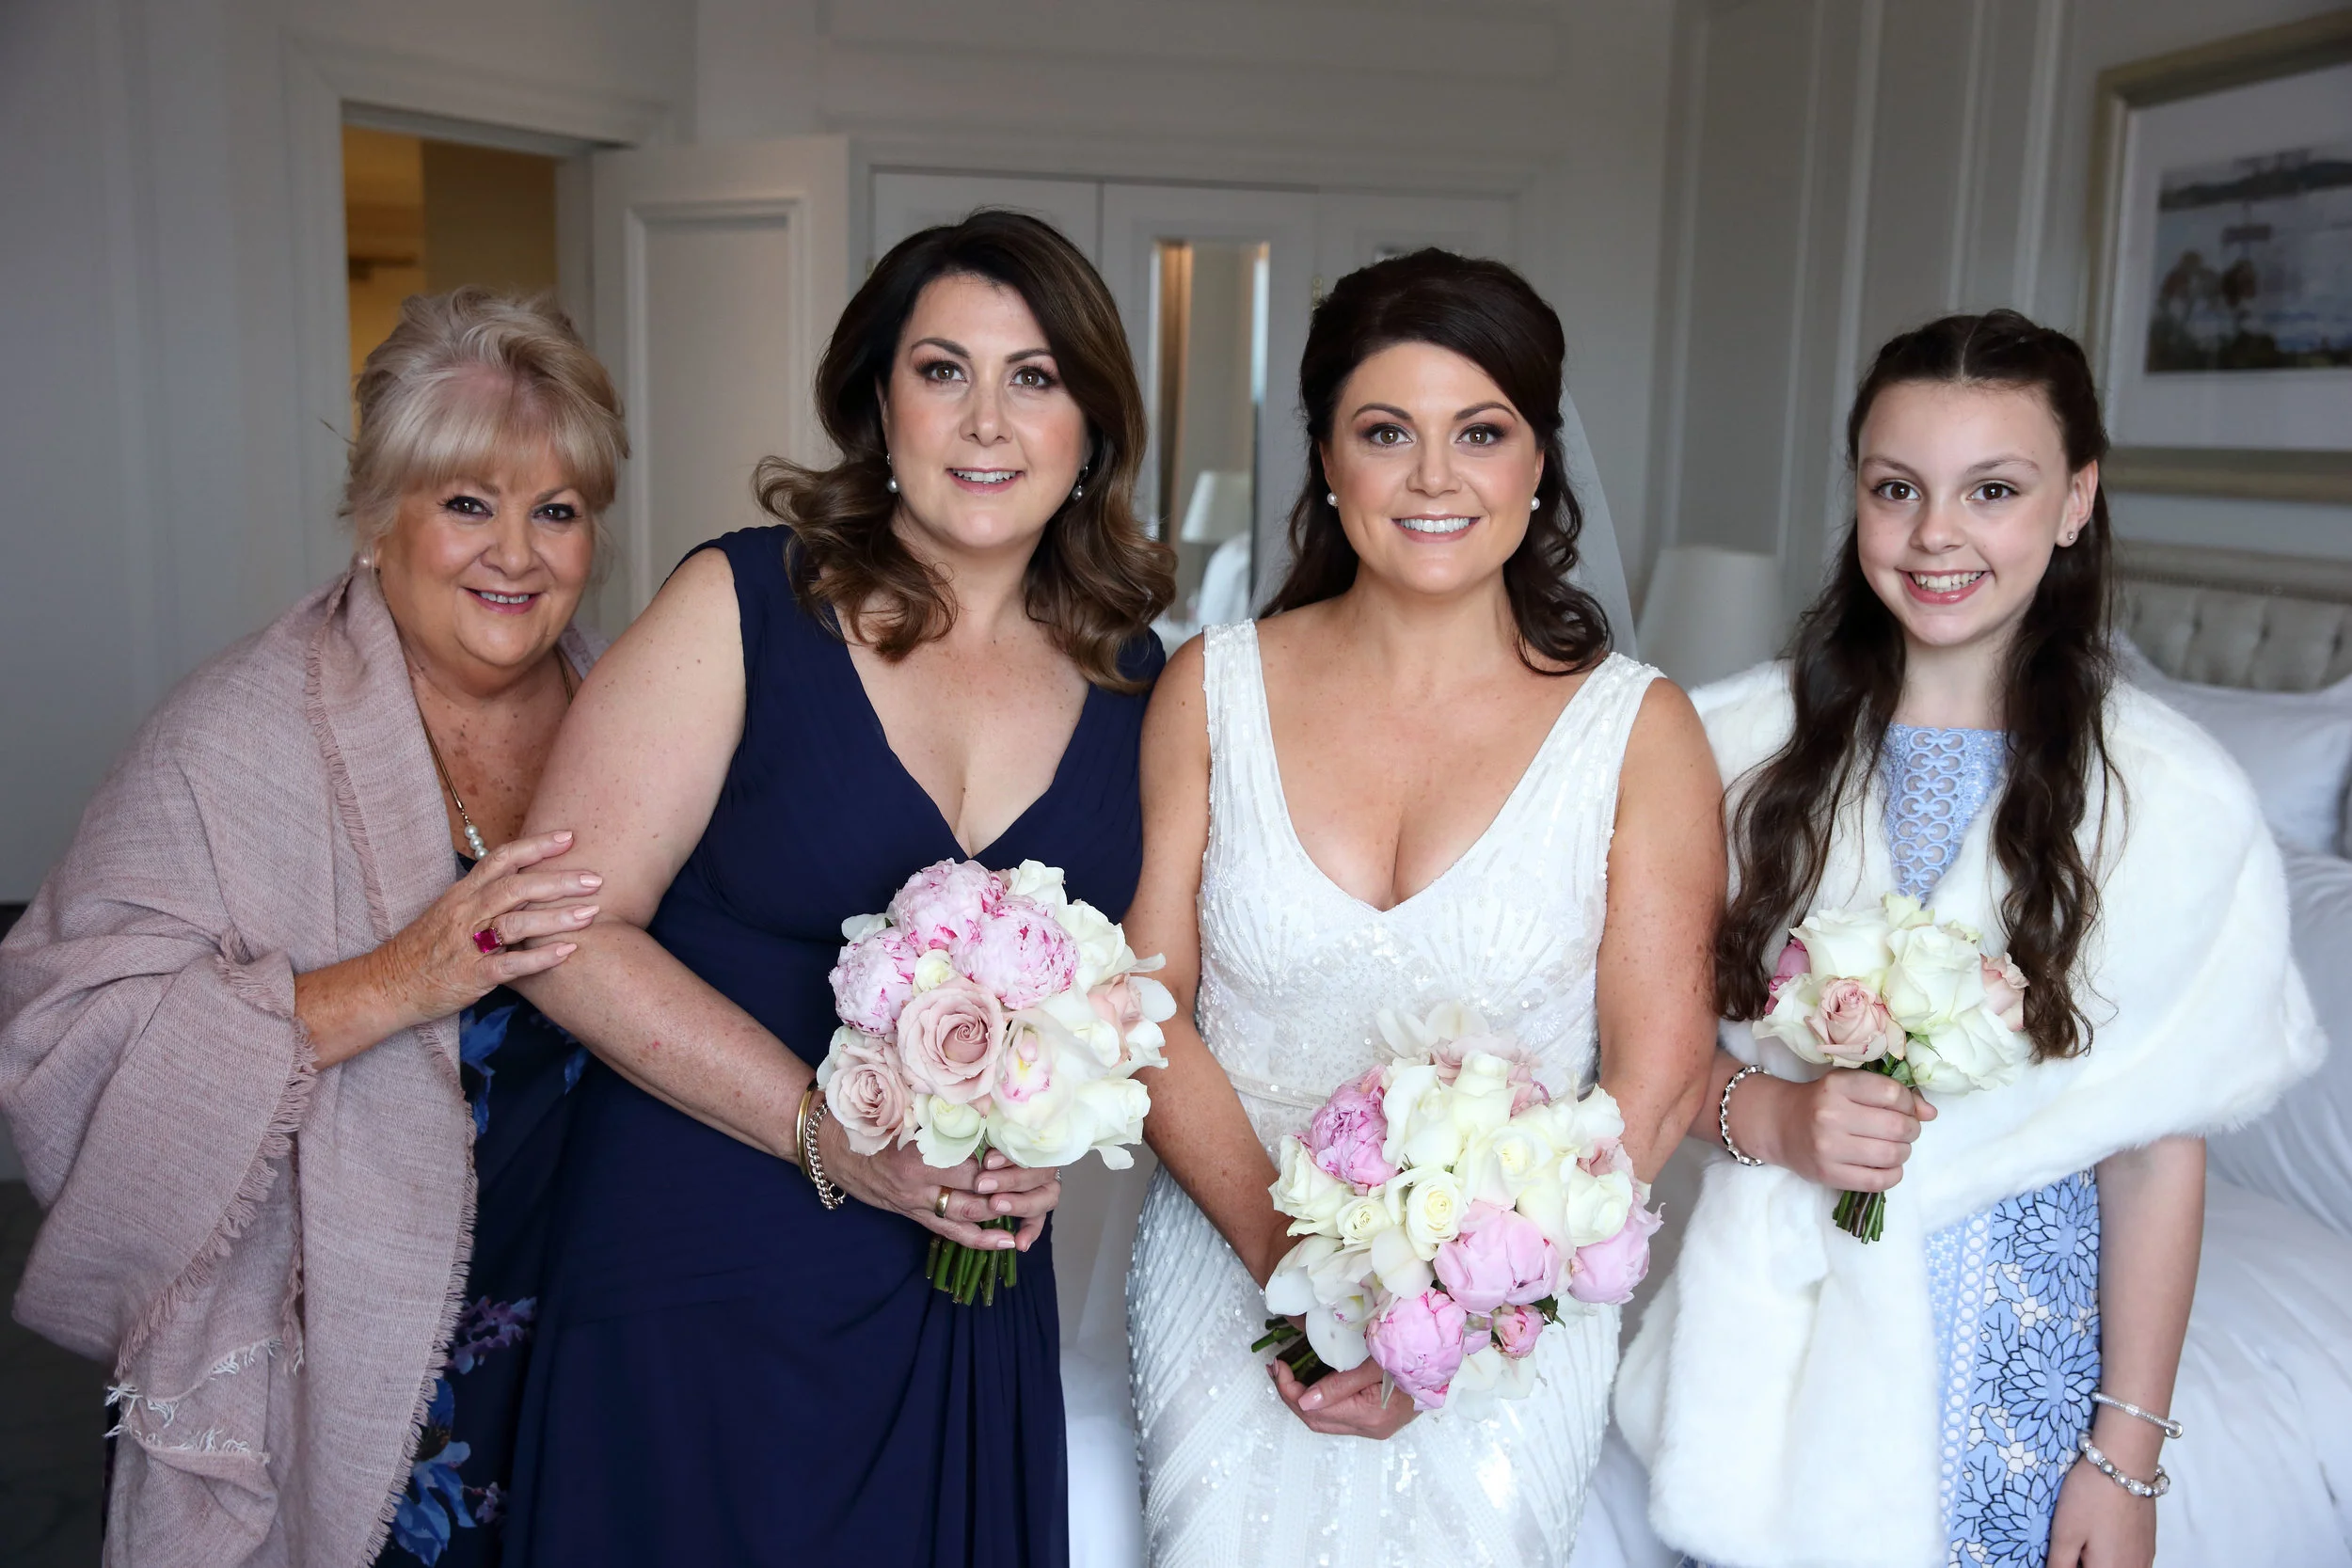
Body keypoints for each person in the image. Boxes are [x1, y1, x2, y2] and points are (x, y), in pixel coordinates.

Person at [496, 210, 1174, 1566]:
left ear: (1090, 425)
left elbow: (1145, 994)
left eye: (1033, 377)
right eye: (943, 370)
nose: (986, 421)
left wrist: (1054, 1120)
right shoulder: (744, 601)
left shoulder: (1137, 675)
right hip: (702, 1268)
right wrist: (825, 1128)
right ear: (880, 401)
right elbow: (550, 933)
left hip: (959, 1296)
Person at [1615, 310, 2324, 1568]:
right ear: (1857, 498)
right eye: (1898, 488)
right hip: (1760, 1347)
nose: (1936, 533)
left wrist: (2128, 1455)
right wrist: (1772, 1117)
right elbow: (1638, 1059)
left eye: (1993, 489)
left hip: (2015, 1365)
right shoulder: (1725, 753)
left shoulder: (2167, 798)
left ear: (2074, 500)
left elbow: (2157, 1155)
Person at [0, 288, 625, 1566]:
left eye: (555, 510)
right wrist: (403, 977)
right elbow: (54, 1041)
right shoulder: (238, 732)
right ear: (377, 516)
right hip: (348, 1345)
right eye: (468, 504)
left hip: (606, 1329)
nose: (516, 552)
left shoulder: (635, 720)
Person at [1121, 250, 1723, 1566]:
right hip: (1229, 1275)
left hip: (1511, 1327)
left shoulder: (1640, 731)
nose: (1436, 479)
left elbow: (1660, 1075)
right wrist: (1310, 1271)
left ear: (1540, 464)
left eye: (1483, 433)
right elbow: (1146, 1008)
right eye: (1387, 432)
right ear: (1329, 462)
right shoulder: (1208, 692)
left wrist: (1440, 1319)